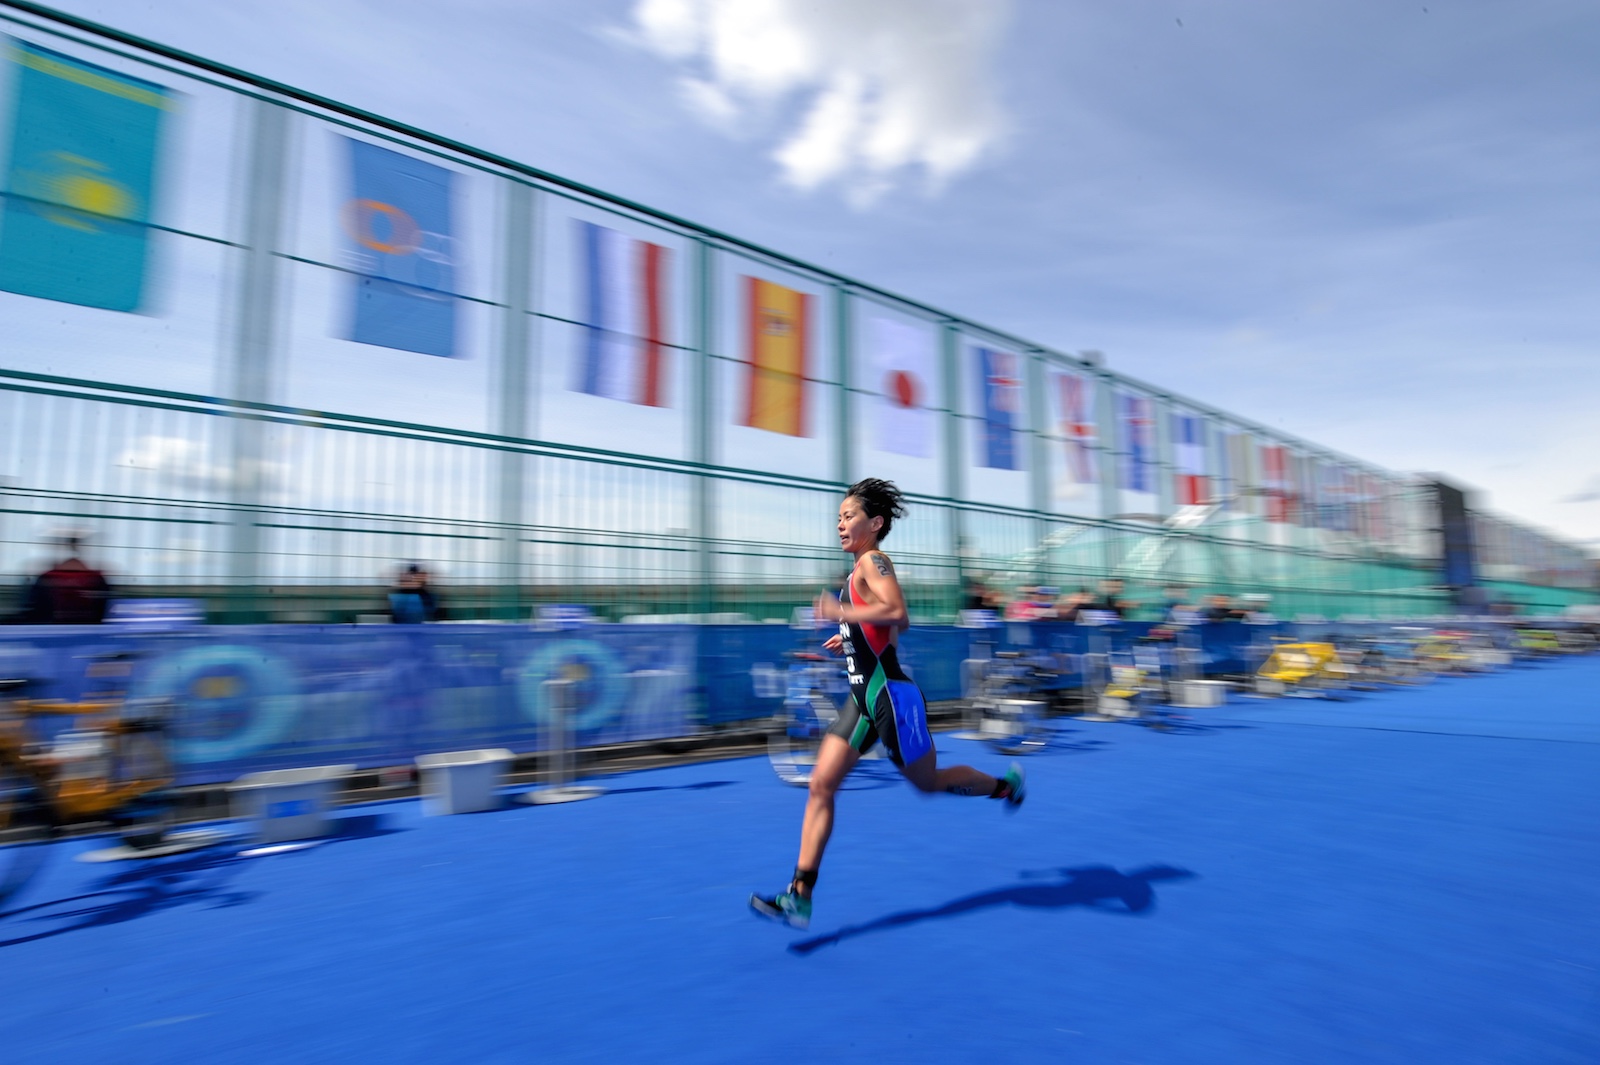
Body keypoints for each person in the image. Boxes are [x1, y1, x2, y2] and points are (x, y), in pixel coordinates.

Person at [750, 478, 1026, 930]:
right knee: (821, 784)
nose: (840, 524)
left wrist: (843, 616)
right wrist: (850, 637)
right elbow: (890, 631)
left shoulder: (874, 560)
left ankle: (1004, 785)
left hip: (892, 700)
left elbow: (899, 613)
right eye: (838, 517)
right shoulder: (858, 571)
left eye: (849, 516)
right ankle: (799, 896)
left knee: (928, 782)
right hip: (862, 699)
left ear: (874, 523)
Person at [17, 535, 112, 624]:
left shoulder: (47, 578)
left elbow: (34, 610)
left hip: (52, 627)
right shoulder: (96, 579)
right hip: (85, 628)